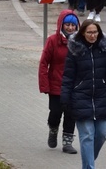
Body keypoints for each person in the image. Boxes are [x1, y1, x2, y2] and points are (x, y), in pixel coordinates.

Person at [61, 20, 106, 169]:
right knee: (87, 135)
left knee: (102, 133)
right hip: (81, 97)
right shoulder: (75, 50)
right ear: (83, 33)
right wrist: (65, 98)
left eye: (95, 32)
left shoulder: (105, 49)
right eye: (89, 32)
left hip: (101, 97)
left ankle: (88, 162)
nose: (93, 35)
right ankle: (89, 167)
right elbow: (68, 77)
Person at [39, 10, 79, 154]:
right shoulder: (52, 41)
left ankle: (67, 142)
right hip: (56, 84)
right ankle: (53, 129)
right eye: (67, 24)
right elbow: (44, 63)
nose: (70, 28)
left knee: (71, 114)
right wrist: (44, 84)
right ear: (61, 25)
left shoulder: (80, 43)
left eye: (73, 25)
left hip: (74, 86)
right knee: (55, 112)